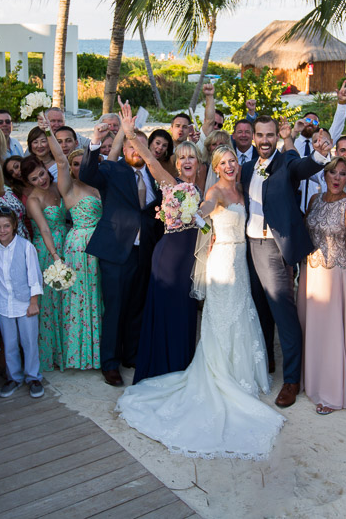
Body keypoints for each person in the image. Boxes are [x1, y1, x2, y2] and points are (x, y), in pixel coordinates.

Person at [115, 145, 285, 461]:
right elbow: (202, 211)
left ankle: (239, 373)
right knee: (221, 318)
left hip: (239, 260)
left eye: (233, 160)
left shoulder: (239, 187)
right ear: (216, 168)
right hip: (221, 261)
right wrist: (185, 213)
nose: (231, 165)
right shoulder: (216, 192)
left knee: (241, 315)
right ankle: (221, 374)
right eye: (225, 162)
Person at [242, 116, 328, 408]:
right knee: (259, 309)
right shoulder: (246, 169)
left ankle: (292, 380)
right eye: (260, 135)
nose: (265, 141)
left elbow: (306, 166)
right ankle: (265, 365)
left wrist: (320, 154)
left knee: (283, 314)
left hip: (272, 248)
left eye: (269, 135)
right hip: (248, 245)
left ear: (276, 138)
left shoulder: (287, 162)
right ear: (253, 137)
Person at [117, 103, 203, 383]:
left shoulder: (201, 189)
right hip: (170, 257)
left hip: (191, 258)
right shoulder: (172, 183)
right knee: (168, 312)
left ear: (199, 163)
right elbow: (152, 163)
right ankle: (163, 368)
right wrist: (130, 135)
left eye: (192, 157)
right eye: (183, 158)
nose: (188, 161)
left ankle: (182, 365)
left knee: (186, 313)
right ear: (177, 163)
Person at [81, 121, 162, 386]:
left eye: (140, 145)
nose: (136, 150)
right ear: (124, 148)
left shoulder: (153, 175)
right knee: (115, 309)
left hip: (145, 251)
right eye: (131, 145)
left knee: (137, 306)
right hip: (116, 251)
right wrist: (95, 141)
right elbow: (86, 175)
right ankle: (110, 363)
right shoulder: (111, 169)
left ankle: (133, 355)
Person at [297, 156, 346, 415]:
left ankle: (333, 394)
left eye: (342, 174)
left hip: (338, 275)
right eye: (332, 173)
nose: (337, 178)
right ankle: (312, 385)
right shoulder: (314, 201)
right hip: (311, 274)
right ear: (324, 176)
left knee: (334, 333)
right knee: (312, 330)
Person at [50, 133, 103, 370]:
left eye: (84, 163)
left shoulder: (100, 185)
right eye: (75, 164)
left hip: (102, 243)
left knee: (99, 297)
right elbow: (59, 160)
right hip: (79, 246)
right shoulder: (68, 188)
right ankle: (78, 355)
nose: (80, 167)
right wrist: (46, 130)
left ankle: (99, 354)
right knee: (79, 298)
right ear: (70, 168)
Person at [0, 207, 45, 399]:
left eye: (6, 226)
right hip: (4, 304)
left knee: (29, 341)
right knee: (10, 342)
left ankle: (33, 376)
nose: (2, 230)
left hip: (25, 304)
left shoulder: (25, 246)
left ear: (14, 226)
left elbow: (34, 276)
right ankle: (13, 377)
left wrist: (33, 302)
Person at [22, 155, 67, 371]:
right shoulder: (33, 200)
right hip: (46, 250)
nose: (41, 180)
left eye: (41, 173)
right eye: (34, 179)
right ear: (28, 183)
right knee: (49, 302)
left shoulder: (57, 188)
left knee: (63, 300)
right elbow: (44, 229)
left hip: (65, 240)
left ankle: (65, 351)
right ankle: (49, 355)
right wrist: (55, 255)